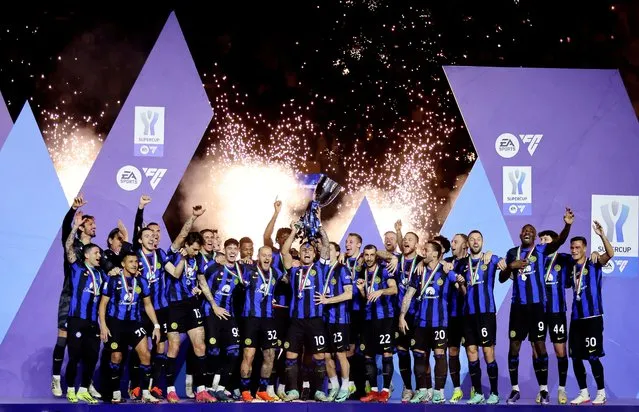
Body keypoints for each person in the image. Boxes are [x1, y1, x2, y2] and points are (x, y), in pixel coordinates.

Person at [499, 208, 574, 405]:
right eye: (525, 230)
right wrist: (510, 267)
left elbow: (559, 242)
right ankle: (515, 389)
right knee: (514, 347)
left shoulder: (541, 250)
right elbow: (501, 278)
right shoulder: (511, 253)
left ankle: (543, 390)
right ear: (520, 234)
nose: (528, 233)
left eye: (531, 231)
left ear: (534, 236)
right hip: (518, 308)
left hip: (537, 308)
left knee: (539, 346)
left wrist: (567, 225)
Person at [399, 241, 464, 404]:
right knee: (419, 356)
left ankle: (439, 392)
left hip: (439, 322)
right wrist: (401, 316)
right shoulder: (419, 271)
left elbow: (459, 287)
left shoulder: (446, 270)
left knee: (439, 355)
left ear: (435, 254)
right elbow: (409, 294)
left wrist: (461, 281)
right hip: (421, 322)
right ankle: (421, 391)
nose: (423, 252)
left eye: (426, 250)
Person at [98, 251, 162, 403]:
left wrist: (156, 325)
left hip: (135, 323)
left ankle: (146, 393)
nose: (134, 264)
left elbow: (148, 305)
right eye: (131, 262)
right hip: (116, 323)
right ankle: (115, 393)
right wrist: (104, 326)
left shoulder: (142, 281)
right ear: (123, 264)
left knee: (145, 355)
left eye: (136, 262)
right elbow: (102, 305)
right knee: (116, 357)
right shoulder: (112, 280)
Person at [280, 222, 331, 401]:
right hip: (296, 321)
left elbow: (326, 245)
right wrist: (294, 231)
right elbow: (284, 252)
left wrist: (319, 225)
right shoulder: (293, 270)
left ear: (314, 254)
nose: (307, 252)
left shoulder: (320, 268)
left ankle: (318, 391)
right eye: (303, 250)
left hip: (315, 320)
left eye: (310, 250)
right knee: (291, 355)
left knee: (319, 355)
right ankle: (293, 390)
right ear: (299, 254)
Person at [63, 211, 107, 404]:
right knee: (74, 357)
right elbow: (68, 246)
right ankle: (71, 389)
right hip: (76, 321)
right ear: (87, 255)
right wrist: (75, 226)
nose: (100, 255)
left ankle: (83, 390)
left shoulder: (100, 275)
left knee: (91, 357)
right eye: (97, 253)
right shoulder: (77, 268)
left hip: (92, 322)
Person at [568, 221, 612, 406]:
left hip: (592, 318)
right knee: (576, 357)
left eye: (578, 247)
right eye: (572, 247)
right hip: (576, 319)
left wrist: (602, 235)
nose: (574, 250)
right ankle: (584, 393)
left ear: (585, 248)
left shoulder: (594, 262)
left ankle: (601, 392)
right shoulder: (570, 267)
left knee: (593, 357)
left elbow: (610, 254)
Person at [462, 230, 506, 405]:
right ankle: (478, 393)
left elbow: (504, 267)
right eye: (472, 239)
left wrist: (503, 263)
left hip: (486, 313)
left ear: (482, 241)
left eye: (478, 239)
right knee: (471, 352)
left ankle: (494, 393)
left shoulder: (491, 258)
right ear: (468, 243)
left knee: (488, 352)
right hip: (468, 314)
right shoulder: (462, 263)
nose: (475, 242)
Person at [237, 246, 285, 402]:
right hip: (251, 319)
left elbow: (288, 277)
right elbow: (235, 270)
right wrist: (241, 262)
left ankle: (262, 390)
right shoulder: (249, 271)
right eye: (263, 255)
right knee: (249, 355)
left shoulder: (276, 273)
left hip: (269, 319)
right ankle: (244, 390)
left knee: (270, 355)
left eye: (269, 256)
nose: (266, 258)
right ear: (258, 256)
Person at [357, 244, 398, 403]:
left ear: (376, 256)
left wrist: (381, 291)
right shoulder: (362, 273)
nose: (368, 258)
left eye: (371, 255)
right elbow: (364, 298)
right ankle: (374, 391)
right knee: (368, 355)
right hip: (368, 319)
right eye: (366, 255)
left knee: (387, 353)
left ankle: (386, 391)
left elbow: (394, 290)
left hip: (385, 319)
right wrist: (361, 290)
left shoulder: (385, 270)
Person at [536, 229, 572, 404]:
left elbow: (581, 260)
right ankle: (542, 390)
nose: (542, 241)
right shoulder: (536, 258)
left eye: (546, 238)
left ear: (554, 241)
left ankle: (561, 389)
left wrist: (594, 253)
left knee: (560, 351)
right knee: (538, 351)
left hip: (557, 312)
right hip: (538, 312)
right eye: (541, 238)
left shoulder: (564, 258)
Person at [317, 241, 353, 402]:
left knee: (340, 354)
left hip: (339, 320)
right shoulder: (321, 269)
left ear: (338, 253)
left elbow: (349, 294)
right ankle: (334, 386)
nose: (326, 251)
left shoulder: (342, 268)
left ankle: (345, 387)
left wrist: (327, 301)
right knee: (326, 355)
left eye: (330, 249)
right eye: (325, 249)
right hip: (324, 321)